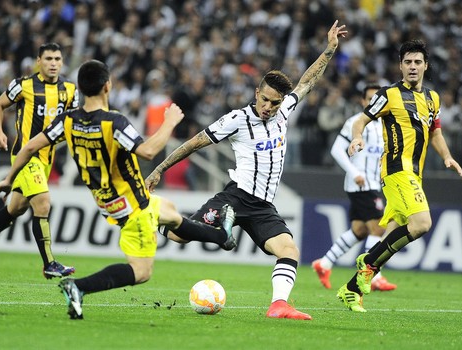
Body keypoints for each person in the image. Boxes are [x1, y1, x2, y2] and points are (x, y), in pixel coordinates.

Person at [0, 60, 236, 319]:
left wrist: (9, 179)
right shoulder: (114, 122)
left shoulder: (68, 120)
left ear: (82, 89)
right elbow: (149, 151)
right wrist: (169, 122)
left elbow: (28, 147)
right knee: (141, 272)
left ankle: (220, 237)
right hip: (133, 206)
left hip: (108, 200)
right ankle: (78, 287)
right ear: (107, 86)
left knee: (172, 214)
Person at [145, 20, 348, 321]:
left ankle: (278, 305)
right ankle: (149, 213)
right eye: (264, 99)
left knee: (289, 250)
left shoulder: (284, 112)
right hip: (235, 197)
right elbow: (195, 143)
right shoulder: (237, 120)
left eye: (274, 103)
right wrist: (159, 168)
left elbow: (307, 82)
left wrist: (329, 49)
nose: (268, 106)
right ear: (256, 92)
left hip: (263, 206)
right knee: (178, 237)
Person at [336, 39, 462, 312]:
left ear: (426, 66)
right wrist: (357, 138)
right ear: (401, 66)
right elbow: (361, 119)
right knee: (421, 223)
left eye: (418, 62)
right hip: (396, 170)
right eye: (408, 62)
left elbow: (436, 132)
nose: (413, 66)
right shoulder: (389, 94)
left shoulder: (433, 98)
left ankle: (351, 289)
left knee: (390, 236)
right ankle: (369, 262)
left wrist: (447, 156)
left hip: (415, 175)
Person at [0, 43, 78, 278]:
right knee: (43, 203)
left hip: (47, 158)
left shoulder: (70, 90)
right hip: (26, 154)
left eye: (57, 59)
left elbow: (72, 123)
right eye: (48, 59)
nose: (53, 63)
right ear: (39, 61)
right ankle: (49, 263)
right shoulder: (23, 85)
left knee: (16, 207)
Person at [312, 83, 397, 291]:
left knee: (359, 230)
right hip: (361, 183)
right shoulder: (355, 122)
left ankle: (324, 263)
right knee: (378, 227)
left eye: (376, 100)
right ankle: (373, 275)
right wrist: (354, 172)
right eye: (369, 99)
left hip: (374, 183)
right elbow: (336, 150)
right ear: (362, 101)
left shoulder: (384, 125)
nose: (372, 103)